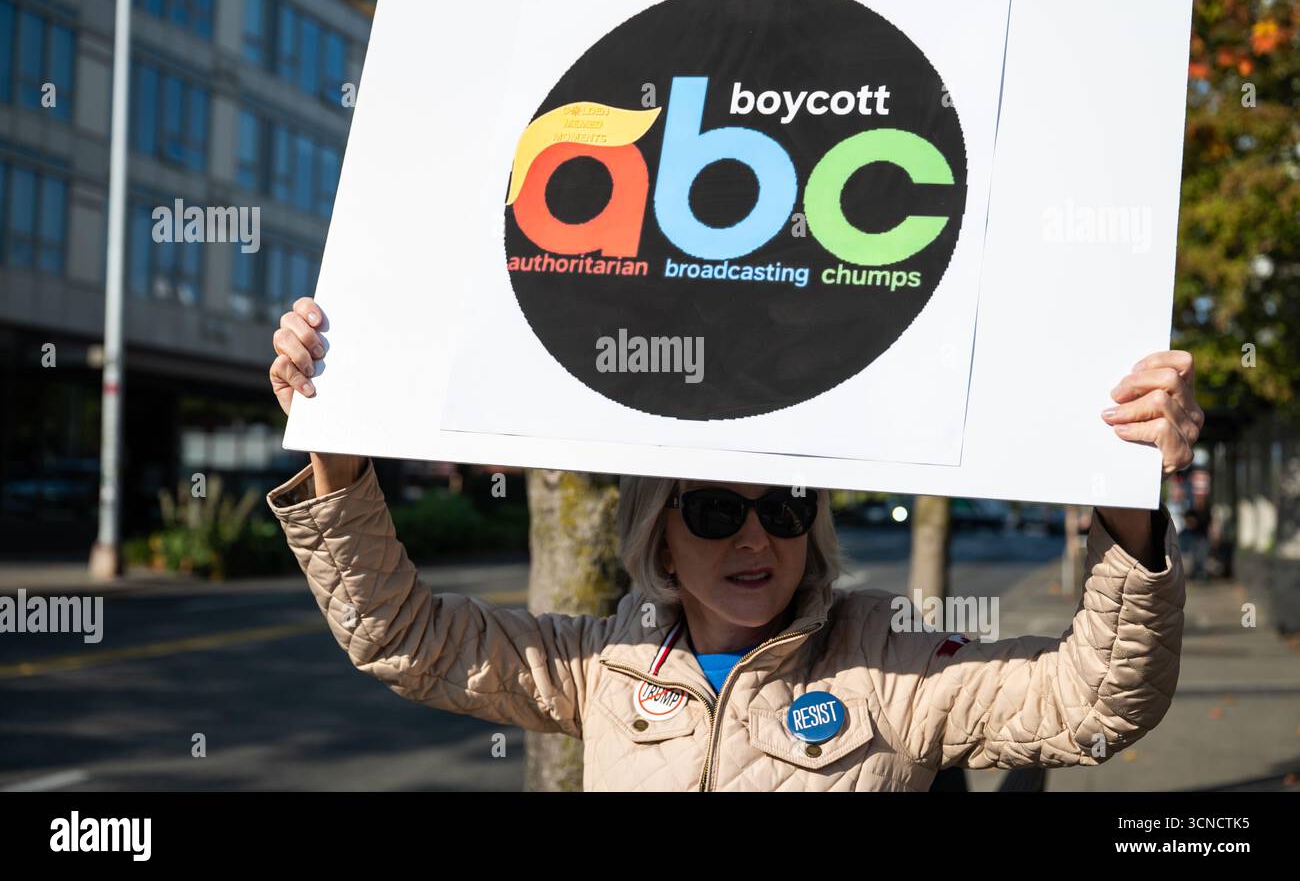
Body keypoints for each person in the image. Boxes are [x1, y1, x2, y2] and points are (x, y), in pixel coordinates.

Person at [266, 296, 1200, 791]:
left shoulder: (891, 669)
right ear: (660, 538)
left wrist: (1125, 495)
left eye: (787, 506)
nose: (758, 534)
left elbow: (1096, 706)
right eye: (716, 510)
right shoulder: (604, 665)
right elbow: (401, 639)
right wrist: (338, 452)